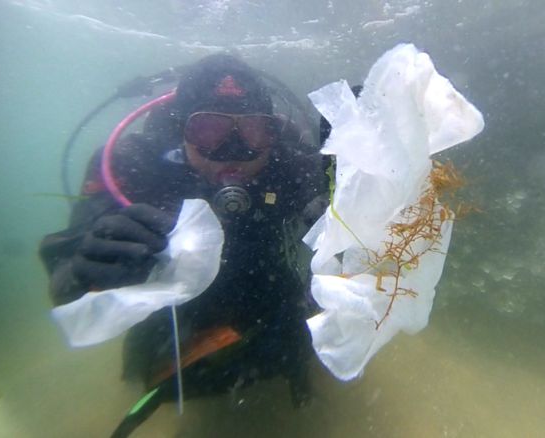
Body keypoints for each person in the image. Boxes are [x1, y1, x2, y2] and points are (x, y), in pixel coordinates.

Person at [39, 54, 328, 434]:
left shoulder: (288, 157)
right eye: (209, 131)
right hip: (172, 302)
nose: (234, 150)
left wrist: (350, 175)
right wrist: (76, 273)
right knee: (157, 364)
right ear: (181, 131)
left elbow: (343, 215)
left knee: (298, 332)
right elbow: (74, 249)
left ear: (270, 134)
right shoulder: (140, 162)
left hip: (264, 280)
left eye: (254, 131)